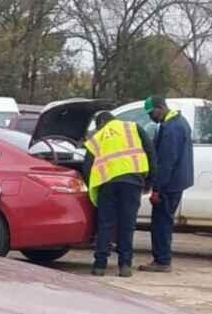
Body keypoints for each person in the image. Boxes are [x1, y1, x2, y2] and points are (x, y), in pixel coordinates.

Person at [81, 110, 149, 278]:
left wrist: (91, 185)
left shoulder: (97, 138)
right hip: (132, 183)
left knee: (105, 224)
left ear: (101, 124)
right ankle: (125, 266)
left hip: (107, 184)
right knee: (127, 224)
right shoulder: (133, 128)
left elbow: (87, 165)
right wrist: (149, 181)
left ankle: (99, 266)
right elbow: (150, 152)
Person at [143, 96, 194, 272]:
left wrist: (156, 188)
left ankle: (162, 261)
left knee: (161, 223)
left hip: (169, 185)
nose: (150, 117)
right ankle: (162, 259)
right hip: (177, 182)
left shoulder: (171, 128)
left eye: (151, 113)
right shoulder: (179, 122)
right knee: (164, 221)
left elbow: (166, 162)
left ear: (160, 107)